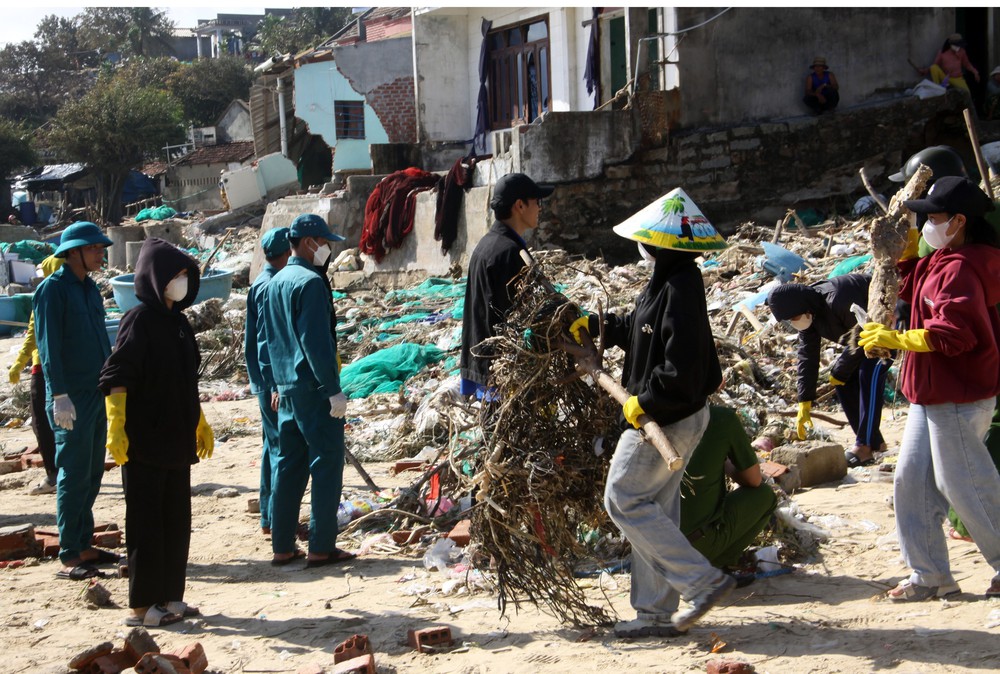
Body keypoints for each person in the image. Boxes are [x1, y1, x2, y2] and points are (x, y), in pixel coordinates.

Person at [589, 187, 734, 638]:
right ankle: (654, 614)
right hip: (670, 413)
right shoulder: (664, 281)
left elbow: (684, 367)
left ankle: (701, 580)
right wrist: (599, 327)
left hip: (665, 418)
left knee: (623, 497)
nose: (641, 246)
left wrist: (644, 401)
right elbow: (641, 330)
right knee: (654, 507)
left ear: (658, 243)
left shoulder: (681, 285)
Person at [859, 176, 1000, 600]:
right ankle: (929, 575)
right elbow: (911, 281)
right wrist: (896, 253)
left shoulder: (962, 267)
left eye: (933, 219)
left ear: (959, 221)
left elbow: (956, 334)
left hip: (958, 394)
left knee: (966, 484)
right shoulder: (942, 259)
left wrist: (898, 340)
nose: (925, 229)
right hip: (930, 394)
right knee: (911, 482)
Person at [99, 237, 214, 627]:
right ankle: (141, 607)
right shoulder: (139, 320)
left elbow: (187, 379)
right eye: (176, 275)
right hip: (144, 441)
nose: (182, 281)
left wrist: (198, 419)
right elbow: (117, 375)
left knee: (176, 521)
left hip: (177, 440)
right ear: (156, 278)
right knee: (146, 524)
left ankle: (169, 596)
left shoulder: (179, 323)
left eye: (185, 275)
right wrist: (116, 425)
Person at [260, 213, 354, 568]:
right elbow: (314, 341)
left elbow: (267, 341)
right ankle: (321, 546)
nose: (327, 250)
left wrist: (273, 383)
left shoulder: (274, 282)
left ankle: (282, 545)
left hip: (285, 388)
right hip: (312, 387)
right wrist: (332, 389)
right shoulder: (311, 283)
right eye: (325, 243)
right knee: (327, 462)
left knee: (289, 465)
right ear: (310, 242)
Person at [33, 222, 118, 580]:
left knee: (93, 471)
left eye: (101, 248)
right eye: (94, 248)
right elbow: (49, 345)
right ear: (73, 253)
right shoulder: (52, 290)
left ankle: (85, 543)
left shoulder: (90, 289)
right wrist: (60, 394)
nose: (101, 254)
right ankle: (69, 554)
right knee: (72, 472)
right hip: (71, 396)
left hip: (97, 391)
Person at [766, 273, 891, 467]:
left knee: (869, 374)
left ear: (802, 307)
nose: (793, 322)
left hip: (887, 328)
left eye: (793, 317)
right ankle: (875, 443)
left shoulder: (838, 299)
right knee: (843, 382)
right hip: (864, 341)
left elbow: (863, 332)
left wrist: (840, 370)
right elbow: (807, 354)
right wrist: (804, 400)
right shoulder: (810, 314)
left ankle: (864, 447)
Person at [459, 172, 554, 400]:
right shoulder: (509, 254)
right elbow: (519, 318)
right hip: (503, 373)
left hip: (483, 365)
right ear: (519, 206)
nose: (540, 208)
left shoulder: (487, 244)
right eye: (537, 202)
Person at [680, 406, 777, 583]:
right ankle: (716, 566)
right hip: (692, 548)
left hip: (652, 549)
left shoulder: (644, 415)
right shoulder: (719, 418)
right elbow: (754, 480)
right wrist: (726, 464)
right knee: (766, 496)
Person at [245, 227, 291, 536]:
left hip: (264, 378)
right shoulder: (268, 286)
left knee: (269, 446)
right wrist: (275, 384)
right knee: (279, 447)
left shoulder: (264, 281)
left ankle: (268, 515)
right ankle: (277, 520)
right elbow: (266, 342)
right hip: (269, 379)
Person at [9, 255, 64, 495]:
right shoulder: (76, 293)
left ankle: (54, 475)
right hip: (68, 368)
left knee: (43, 422)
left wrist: (20, 360)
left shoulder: (47, 294)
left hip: (43, 368)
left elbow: (34, 332)